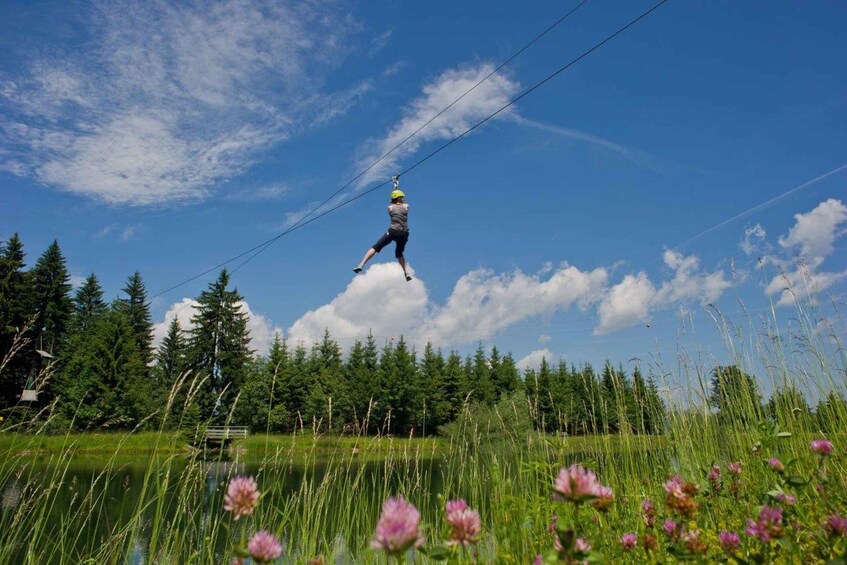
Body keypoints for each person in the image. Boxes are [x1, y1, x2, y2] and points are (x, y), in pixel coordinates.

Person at [353, 188, 412, 281]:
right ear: (399, 198)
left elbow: (392, 205)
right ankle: (406, 272)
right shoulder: (406, 206)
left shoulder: (390, 208)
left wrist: (394, 195)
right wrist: (396, 188)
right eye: (402, 197)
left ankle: (361, 264)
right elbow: (405, 205)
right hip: (404, 233)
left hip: (393, 231)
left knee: (375, 247)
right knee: (399, 253)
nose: (404, 198)